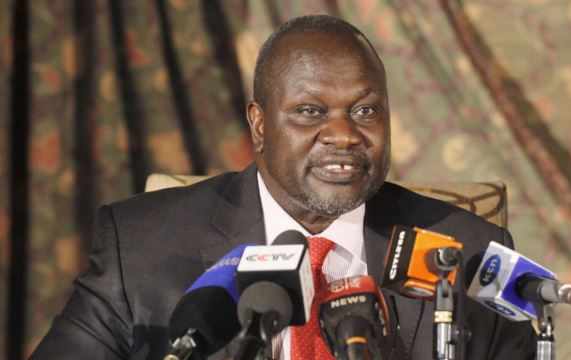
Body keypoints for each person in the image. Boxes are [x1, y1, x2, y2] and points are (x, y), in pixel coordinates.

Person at [31, 15, 536, 360]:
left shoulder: (471, 250)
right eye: (310, 112)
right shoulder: (139, 246)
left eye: (365, 111)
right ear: (259, 126)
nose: (344, 135)